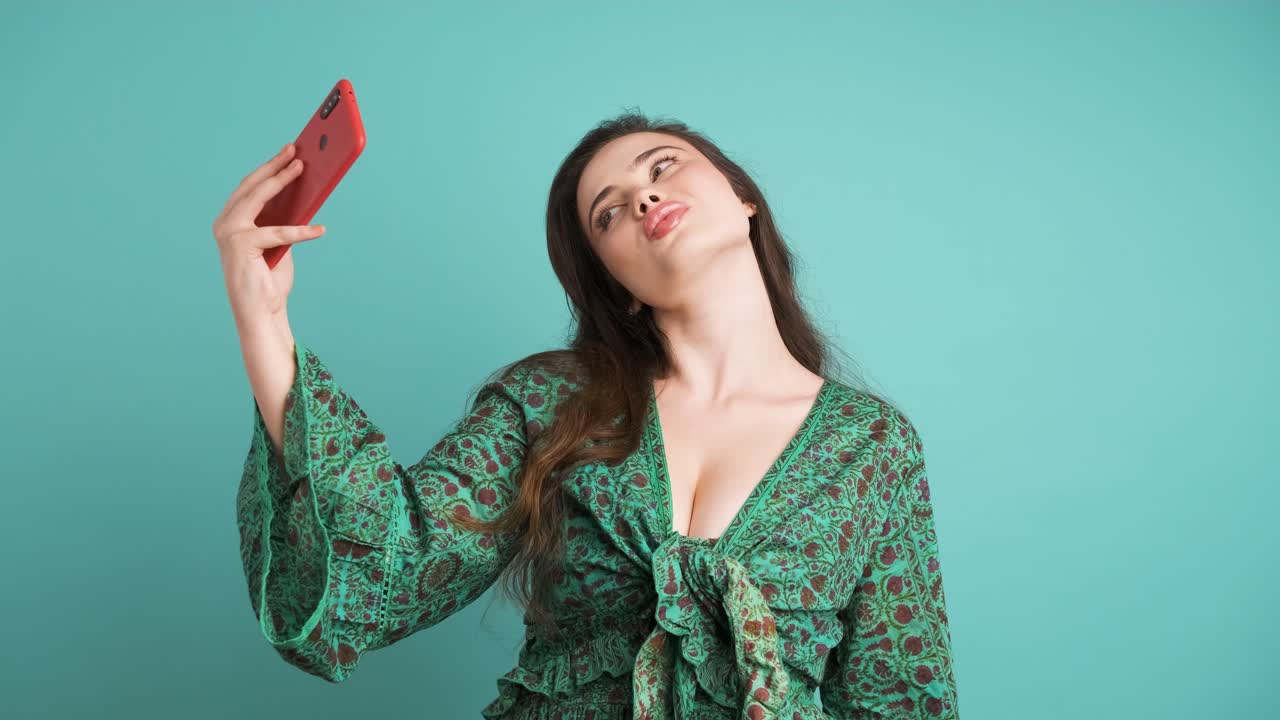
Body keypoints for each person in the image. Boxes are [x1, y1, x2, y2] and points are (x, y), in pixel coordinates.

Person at [213, 110, 959, 719]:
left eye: (662, 166)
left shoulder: (871, 447)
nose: (640, 198)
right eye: (607, 214)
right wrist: (263, 318)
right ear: (618, 283)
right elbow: (392, 561)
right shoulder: (553, 404)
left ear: (743, 197)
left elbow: (900, 699)